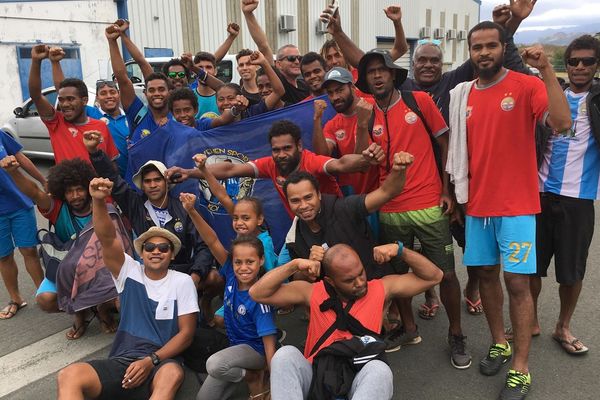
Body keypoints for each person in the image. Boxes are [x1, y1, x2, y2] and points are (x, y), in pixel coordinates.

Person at [447, 21, 572, 399]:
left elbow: (563, 123)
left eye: (490, 46)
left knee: (517, 283)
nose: (483, 53)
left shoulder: (526, 85)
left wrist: (547, 70)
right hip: (477, 205)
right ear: (469, 52)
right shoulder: (462, 95)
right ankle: (499, 342)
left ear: (503, 47)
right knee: (484, 275)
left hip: (517, 206)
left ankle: (520, 366)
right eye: (476, 47)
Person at [355, 49, 470, 369]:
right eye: (370, 72)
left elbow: (445, 143)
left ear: (393, 74)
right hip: (389, 208)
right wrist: (365, 129)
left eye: (382, 70)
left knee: (446, 273)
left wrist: (448, 189)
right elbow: (362, 159)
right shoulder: (367, 114)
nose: (377, 75)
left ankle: (456, 333)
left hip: (429, 203)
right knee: (397, 274)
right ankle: (409, 329)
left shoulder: (419, 100)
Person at [56, 177, 198, 400]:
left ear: (172, 254)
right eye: (149, 246)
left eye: (163, 247)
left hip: (161, 361)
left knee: (172, 373)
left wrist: (151, 360)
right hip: (123, 360)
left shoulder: (183, 281)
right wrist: (99, 201)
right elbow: (106, 237)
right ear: (141, 252)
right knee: (69, 375)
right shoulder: (129, 271)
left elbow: (187, 334)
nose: (156, 251)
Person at [249, 243, 443, 399]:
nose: (359, 282)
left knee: (380, 370)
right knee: (285, 355)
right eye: (349, 280)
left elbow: (435, 276)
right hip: (317, 374)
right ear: (332, 281)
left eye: (361, 273)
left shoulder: (380, 289)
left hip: (357, 376)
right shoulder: (312, 292)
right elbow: (256, 293)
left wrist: (400, 250)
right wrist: (293, 265)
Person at [84, 132, 220, 322]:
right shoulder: (135, 205)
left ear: (166, 183)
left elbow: (204, 246)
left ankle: (204, 303)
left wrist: (195, 277)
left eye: (157, 180)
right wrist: (95, 152)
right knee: (123, 303)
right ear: (142, 186)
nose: (153, 185)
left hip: (183, 270)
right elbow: (113, 179)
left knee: (214, 278)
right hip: (151, 271)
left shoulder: (184, 206)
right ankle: (115, 314)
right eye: (147, 181)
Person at [166, 119, 384, 218]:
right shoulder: (271, 165)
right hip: (303, 228)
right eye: (276, 149)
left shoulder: (312, 161)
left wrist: (364, 160)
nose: (281, 154)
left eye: (287, 148)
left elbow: (341, 164)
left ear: (299, 146)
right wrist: (190, 173)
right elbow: (230, 170)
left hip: (334, 221)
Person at [533, 35, 600, 355]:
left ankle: (563, 327)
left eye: (588, 61)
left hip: (578, 199)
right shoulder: (550, 92)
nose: (580, 67)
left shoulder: (598, 99)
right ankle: (528, 319)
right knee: (530, 267)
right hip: (539, 194)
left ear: (596, 65)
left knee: (571, 272)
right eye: (574, 61)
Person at [0, 156, 117, 339]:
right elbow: (34, 192)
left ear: (88, 188)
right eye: (70, 191)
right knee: (45, 300)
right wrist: (14, 172)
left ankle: (102, 309)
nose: (76, 196)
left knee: (119, 298)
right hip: (67, 270)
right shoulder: (57, 209)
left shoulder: (101, 205)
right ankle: (80, 311)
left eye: (80, 189)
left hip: (101, 270)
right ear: (62, 192)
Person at [180, 193, 276, 400]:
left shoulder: (260, 297)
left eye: (250, 262)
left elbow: (269, 342)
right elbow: (211, 239)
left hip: (256, 352)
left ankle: (252, 376)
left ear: (260, 261)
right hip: (235, 347)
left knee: (214, 364)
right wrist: (192, 210)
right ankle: (244, 374)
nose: (243, 268)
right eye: (238, 262)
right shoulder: (231, 272)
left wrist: (274, 374)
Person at [281, 150, 413, 282]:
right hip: (339, 300)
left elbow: (387, 192)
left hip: (378, 286)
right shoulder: (294, 236)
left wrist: (398, 170)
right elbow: (297, 280)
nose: (303, 205)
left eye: (308, 197)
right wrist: (308, 266)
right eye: (295, 201)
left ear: (319, 195)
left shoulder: (344, 207)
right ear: (288, 202)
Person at [27, 44, 119, 164]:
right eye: (61, 100)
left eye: (70, 99)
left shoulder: (101, 126)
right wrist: (36, 61)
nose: (64, 104)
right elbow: (36, 96)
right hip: (66, 183)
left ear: (84, 100)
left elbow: (112, 163)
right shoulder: (56, 123)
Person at [48, 47, 130, 177]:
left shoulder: (130, 118)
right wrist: (55, 63)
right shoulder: (90, 114)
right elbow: (63, 89)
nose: (108, 96)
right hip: (105, 180)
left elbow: (124, 79)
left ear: (118, 94)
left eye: (112, 92)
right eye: (103, 93)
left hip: (129, 179)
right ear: (96, 98)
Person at [312, 67, 379, 195]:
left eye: (340, 90)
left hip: (384, 188)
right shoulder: (333, 124)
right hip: (356, 193)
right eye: (330, 93)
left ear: (352, 88)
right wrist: (316, 119)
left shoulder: (376, 106)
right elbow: (322, 154)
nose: (335, 97)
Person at [0, 131, 45, 320]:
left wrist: (44, 180)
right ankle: (15, 298)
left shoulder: (1, 135)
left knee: (29, 251)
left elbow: (21, 158)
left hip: (19, 203)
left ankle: (44, 295)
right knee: (3, 256)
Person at [241, 0, 309, 104]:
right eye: (291, 58)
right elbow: (263, 46)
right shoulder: (279, 82)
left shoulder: (305, 85)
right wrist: (248, 14)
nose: (296, 61)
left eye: (299, 58)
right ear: (278, 64)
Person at [168, 88, 239, 130]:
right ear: (172, 113)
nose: (183, 115)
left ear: (196, 110)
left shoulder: (203, 124)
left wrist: (236, 109)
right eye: (177, 111)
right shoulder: (170, 132)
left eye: (187, 110)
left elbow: (223, 119)